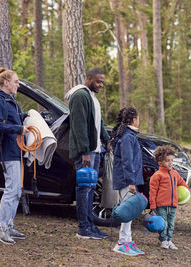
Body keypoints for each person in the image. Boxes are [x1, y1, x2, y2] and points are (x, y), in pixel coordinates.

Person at [64, 67, 110, 239]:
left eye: (102, 82)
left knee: (90, 190)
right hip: (87, 152)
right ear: (89, 79)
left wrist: (106, 140)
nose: (100, 85)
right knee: (84, 189)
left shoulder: (91, 97)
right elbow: (79, 126)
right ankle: (83, 228)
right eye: (98, 81)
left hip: (95, 150)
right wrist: (84, 151)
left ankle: (91, 226)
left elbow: (99, 122)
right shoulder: (80, 96)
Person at [0, 68, 29, 245]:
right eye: (16, 81)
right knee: (11, 190)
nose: (18, 85)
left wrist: (26, 116)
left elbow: (12, 120)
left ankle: (8, 225)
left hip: (16, 149)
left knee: (16, 190)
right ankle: (0, 228)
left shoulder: (9, 100)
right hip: (7, 150)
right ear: (6, 82)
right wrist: (18, 129)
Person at [110, 107, 145, 256]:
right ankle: (121, 243)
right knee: (127, 212)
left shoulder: (128, 135)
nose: (139, 120)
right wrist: (131, 181)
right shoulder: (127, 137)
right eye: (138, 118)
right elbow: (127, 161)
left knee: (129, 212)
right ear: (133, 120)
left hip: (128, 179)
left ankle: (128, 241)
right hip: (126, 180)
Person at [149, 145, 189, 250]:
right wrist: (153, 205)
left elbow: (182, 183)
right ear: (160, 162)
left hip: (173, 205)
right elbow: (152, 192)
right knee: (164, 224)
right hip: (161, 205)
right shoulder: (157, 175)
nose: (171, 162)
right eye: (167, 160)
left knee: (171, 224)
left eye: (172, 160)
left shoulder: (175, 174)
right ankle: (163, 240)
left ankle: (169, 240)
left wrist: (187, 191)